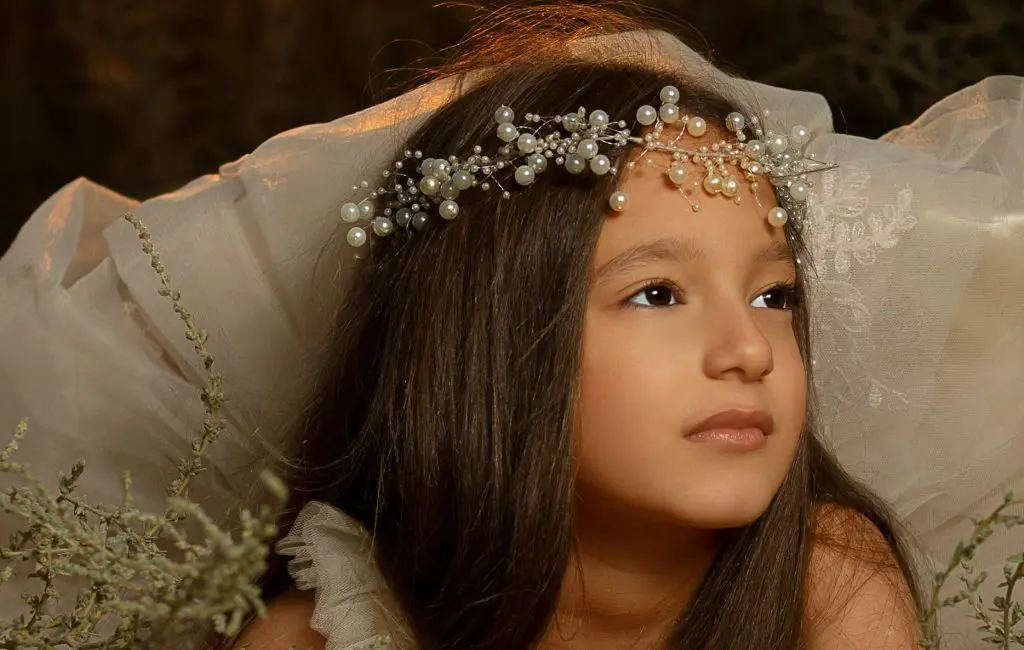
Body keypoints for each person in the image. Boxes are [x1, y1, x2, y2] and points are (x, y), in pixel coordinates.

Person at [1, 5, 1021, 649]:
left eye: (775, 294)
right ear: (490, 341)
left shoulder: (824, 578)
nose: (748, 349)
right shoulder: (327, 624)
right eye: (657, 294)